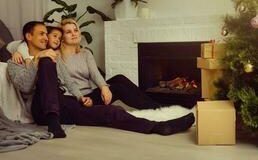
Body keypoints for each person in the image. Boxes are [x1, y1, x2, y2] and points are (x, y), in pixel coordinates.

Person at [7, 21, 195, 139]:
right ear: (28, 37)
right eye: (41, 34)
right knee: (47, 62)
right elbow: (24, 86)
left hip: (66, 104)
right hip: (42, 109)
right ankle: (53, 122)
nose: (46, 37)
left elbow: (69, 82)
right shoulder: (18, 61)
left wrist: (81, 98)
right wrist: (36, 61)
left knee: (110, 112)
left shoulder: (54, 56)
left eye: (46, 34)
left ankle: (159, 127)